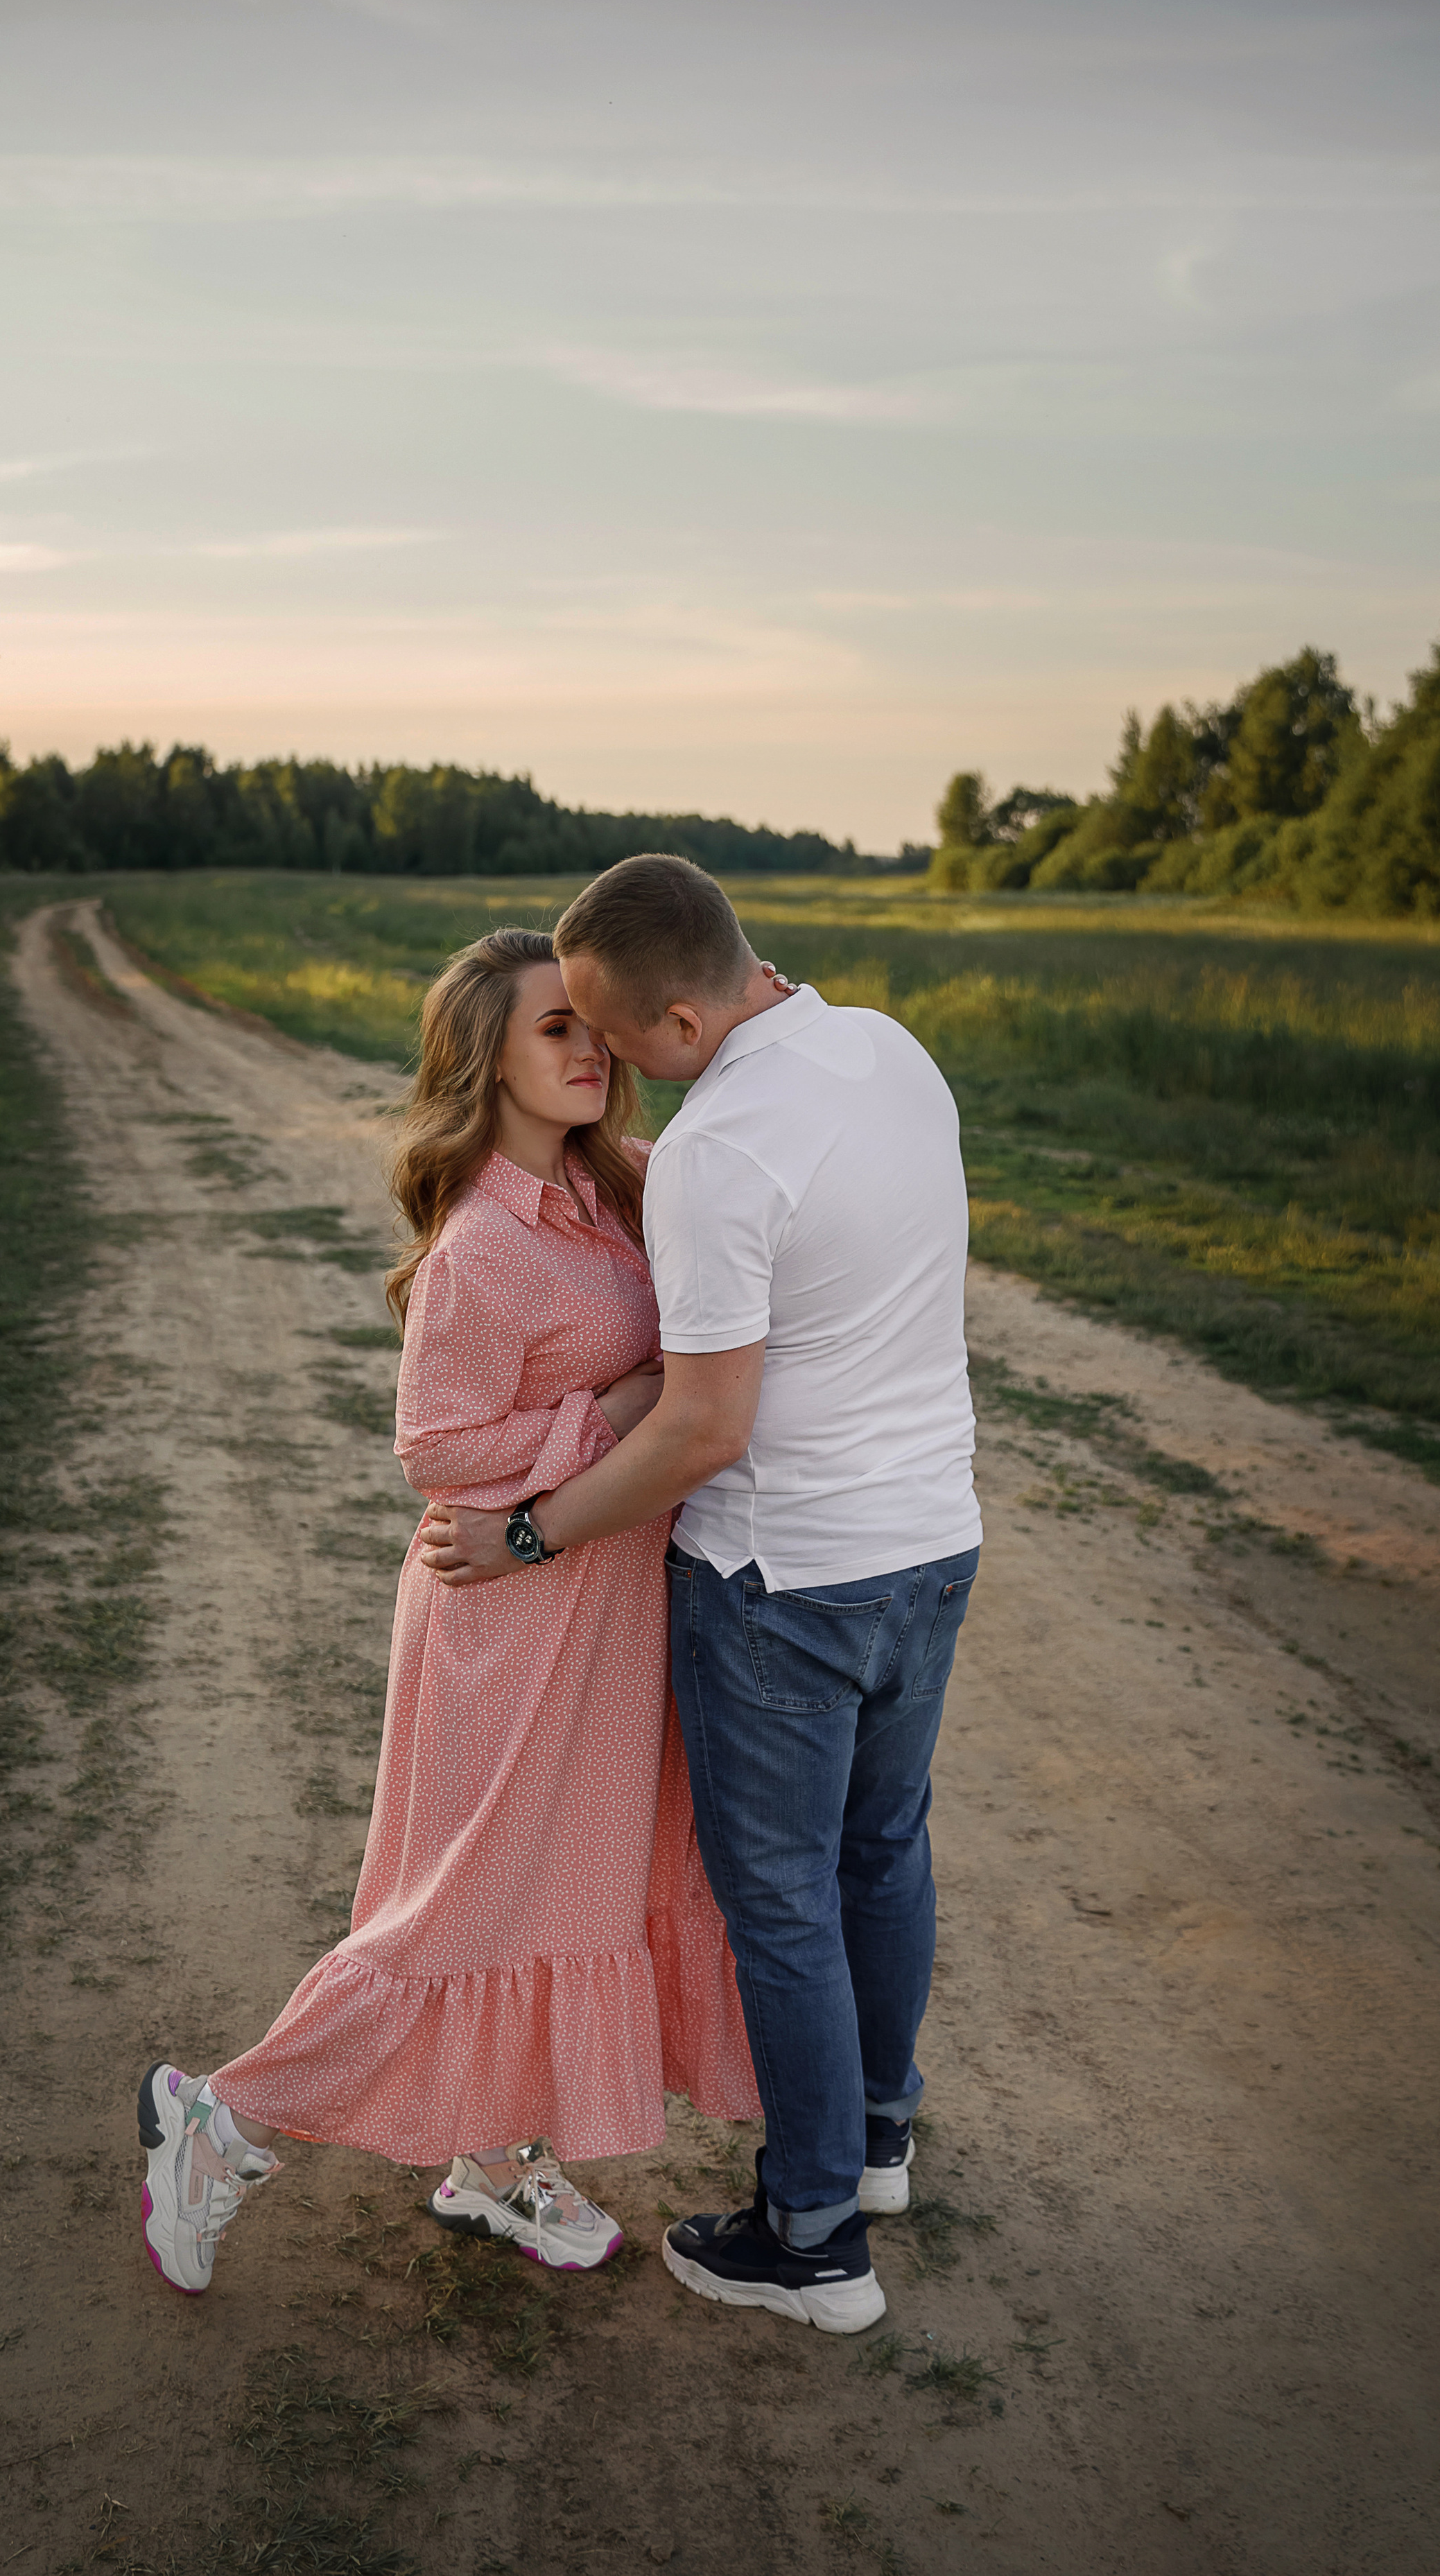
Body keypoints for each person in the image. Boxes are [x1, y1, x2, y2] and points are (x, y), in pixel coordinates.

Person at [137, 926, 758, 2297]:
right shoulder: (482, 1247)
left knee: (573, 1889)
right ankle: (219, 2119)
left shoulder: (620, 1193)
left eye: (594, 1026)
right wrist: (630, 1404)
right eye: (555, 1029)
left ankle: (489, 2162)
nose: (589, 1049)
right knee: (459, 1914)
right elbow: (439, 1452)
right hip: (512, 1612)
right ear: (486, 1059)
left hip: (606, 1603)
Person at [421, 857, 980, 2338]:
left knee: (780, 1899)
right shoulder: (883, 1046)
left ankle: (805, 2239)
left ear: (680, 1013)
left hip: (782, 1572)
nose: (612, 1068)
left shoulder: (723, 1145)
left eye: (616, 1035)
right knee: (883, 1849)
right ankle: (871, 2145)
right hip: (930, 1540)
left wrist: (529, 1538)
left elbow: (701, 1426)